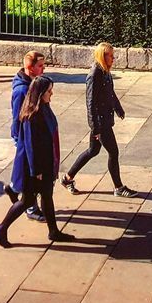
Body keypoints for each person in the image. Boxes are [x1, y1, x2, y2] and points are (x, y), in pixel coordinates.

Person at [0, 76, 74, 246]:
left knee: (47, 196)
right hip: (34, 169)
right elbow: (30, 147)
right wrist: (36, 171)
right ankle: (1, 228)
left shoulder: (44, 107)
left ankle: (53, 231)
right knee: (27, 201)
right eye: (49, 91)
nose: (52, 94)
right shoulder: (32, 115)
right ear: (40, 93)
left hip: (45, 164)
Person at [61, 43, 137, 198]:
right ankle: (118, 187)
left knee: (93, 151)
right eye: (110, 55)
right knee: (113, 152)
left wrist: (118, 107)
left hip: (104, 119)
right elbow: (90, 103)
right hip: (101, 123)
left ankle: (68, 179)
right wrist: (95, 127)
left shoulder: (105, 71)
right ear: (102, 56)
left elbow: (110, 92)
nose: (113, 58)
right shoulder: (94, 74)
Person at [6, 50, 48, 222]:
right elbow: (17, 116)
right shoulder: (21, 90)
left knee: (25, 170)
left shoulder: (31, 83)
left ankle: (14, 189)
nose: (43, 69)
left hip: (30, 135)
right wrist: (18, 138)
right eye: (40, 66)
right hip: (24, 137)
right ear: (30, 67)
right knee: (30, 172)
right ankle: (31, 207)